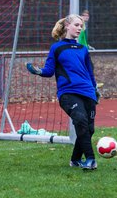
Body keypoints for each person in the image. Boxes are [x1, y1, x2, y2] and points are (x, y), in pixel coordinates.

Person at [26, 14, 99, 170]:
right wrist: (38, 71)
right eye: (77, 25)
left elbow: (90, 72)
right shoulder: (57, 48)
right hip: (68, 93)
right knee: (80, 120)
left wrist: (95, 90)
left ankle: (75, 160)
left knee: (89, 129)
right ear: (67, 25)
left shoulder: (83, 49)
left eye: (81, 26)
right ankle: (91, 160)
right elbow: (49, 71)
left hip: (88, 92)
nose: (80, 28)